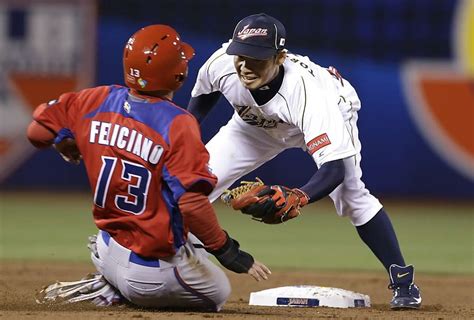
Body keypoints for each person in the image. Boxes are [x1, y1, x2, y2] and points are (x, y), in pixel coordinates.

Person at [26, 24, 271, 311]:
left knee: (187, 243)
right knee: (218, 292)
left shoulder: (96, 99)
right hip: (149, 274)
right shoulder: (178, 123)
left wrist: (64, 141)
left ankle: (109, 281)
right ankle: (118, 292)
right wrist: (228, 251)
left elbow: (37, 132)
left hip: (106, 249)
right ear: (178, 75)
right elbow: (192, 204)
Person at [187, 13, 421, 309]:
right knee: (195, 182)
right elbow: (199, 104)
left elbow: (334, 168)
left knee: (351, 195)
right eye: (241, 56)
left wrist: (300, 196)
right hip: (253, 127)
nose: (245, 66)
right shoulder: (222, 61)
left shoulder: (311, 95)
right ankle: (181, 261)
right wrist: (183, 153)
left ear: (280, 57)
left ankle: (403, 282)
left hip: (324, 113)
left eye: (257, 58)